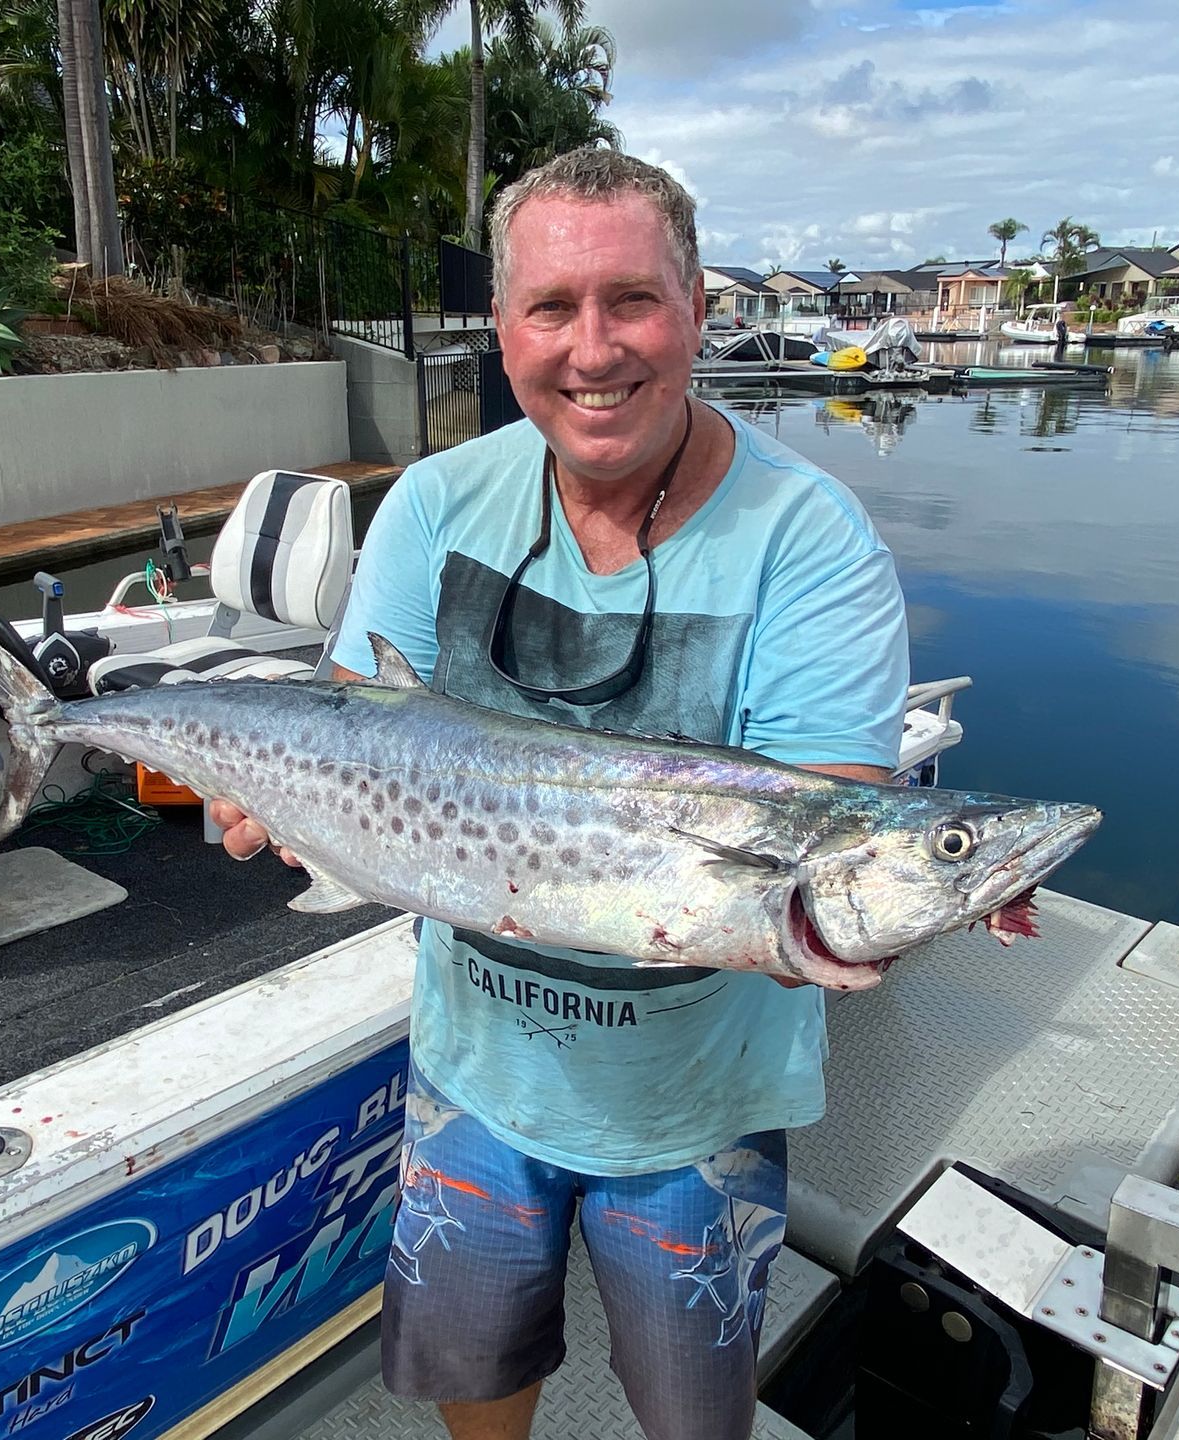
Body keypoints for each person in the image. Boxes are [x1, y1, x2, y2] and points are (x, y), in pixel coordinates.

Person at [210, 147, 909, 1440]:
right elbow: (355, 734)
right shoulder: (430, 506)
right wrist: (277, 797)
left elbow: (827, 843)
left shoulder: (812, 544)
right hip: (473, 1076)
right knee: (477, 1390)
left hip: (700, 1111)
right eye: (551, 307)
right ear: (502, 326)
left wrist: (884, 905)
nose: (594, 349)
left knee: (694, 1418)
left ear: (699, 307)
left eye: (633, 300)